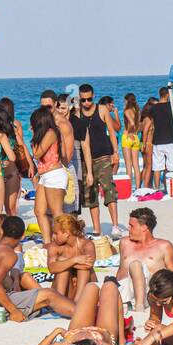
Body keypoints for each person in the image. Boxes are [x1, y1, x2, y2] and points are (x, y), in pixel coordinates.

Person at [0, 214, 74, 321]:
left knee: (42, 297)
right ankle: (82, 312)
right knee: (50, 294)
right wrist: (13, 311)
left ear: (3, 231)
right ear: (23, 235)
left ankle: (70, 307)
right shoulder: (9, 253)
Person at [31, 278, 139, 345]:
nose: (97, 341)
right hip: (105, 330)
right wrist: (122, 339)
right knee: (110, 286)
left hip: (76, 330)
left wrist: (57, 331)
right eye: (97, 343)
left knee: (91, 287)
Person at [74, 84, 121, 236]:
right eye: (83, 100)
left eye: (88, 99)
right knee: (90, 194)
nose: (86, 103)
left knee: (109, 189)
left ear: (93, 96)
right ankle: (96, 229)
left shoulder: (102, 110)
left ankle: (114, 225)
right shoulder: (76, 112)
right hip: (84, 159)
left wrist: (115, 152)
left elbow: (112, 132)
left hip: (103, 156)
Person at [117, 207, 173, 310]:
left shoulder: (163, 246)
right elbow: (120, 271)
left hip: (148, 293)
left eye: (132, 226)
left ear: (144, 227)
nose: (128, 228)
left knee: (135, 265)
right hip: (123, 292)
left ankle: (139, 305)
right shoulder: (124, 243)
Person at [30, 105, 69, 244]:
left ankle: (65, 240)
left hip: (54, 175)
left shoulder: (51, 133)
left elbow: (37, 153)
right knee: (39, 211)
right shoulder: (48, 133)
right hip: (45, 176)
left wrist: (34, 135)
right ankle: (47, 243)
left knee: (57, 212)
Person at [45, 213, 96, 299]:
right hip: (65, 289)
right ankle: (60, 301)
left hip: (84, 290)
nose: (53, 237)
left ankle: (78, 301)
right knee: (62, 266)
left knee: (84, 270)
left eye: (56, 233)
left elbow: (89, 264)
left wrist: (65, 262)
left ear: (66, 233)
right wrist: (74, 260)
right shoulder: (54, 246)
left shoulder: (86, 244)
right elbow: (51, 268)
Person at [147, 87, 173, 193]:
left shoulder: (154, 108)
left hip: (158, 139)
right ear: (167, 95)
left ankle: (157, 189)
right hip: (171, 138)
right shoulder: (172, 106)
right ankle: (171, 190)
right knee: (172, 166)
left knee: (157, 167)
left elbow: (152, 124)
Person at [121, 93, 143, 190]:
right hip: (136, 137)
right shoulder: (138, 110)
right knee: (136, 165)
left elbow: (132, 123)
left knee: (128, 165)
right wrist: (134, 132)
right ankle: (138, 188)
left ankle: (128, 189)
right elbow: (139, 125)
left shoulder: (127, 110)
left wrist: (129, 132)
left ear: (127, 100)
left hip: (128, 137)